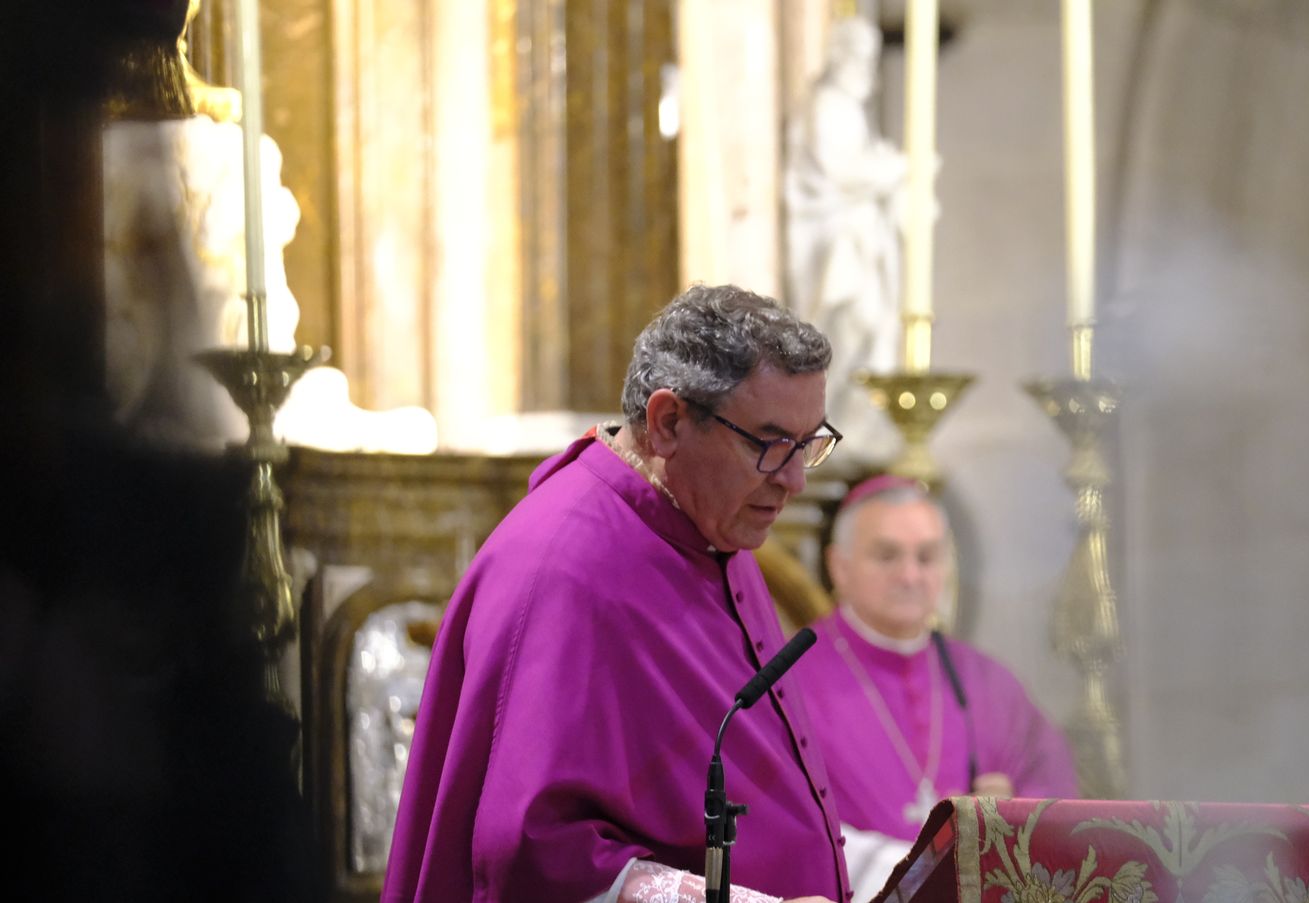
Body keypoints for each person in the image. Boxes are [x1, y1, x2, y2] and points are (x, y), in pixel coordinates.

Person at [382, 285, 849, 903]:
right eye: (769, 444)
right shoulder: (563, 567)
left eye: (808, 444)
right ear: (668, 423)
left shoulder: (710, 521)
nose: (793, 480)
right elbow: (532, 851)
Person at [792, 476, 1077, 895]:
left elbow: (1059, 807)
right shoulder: (792, 681)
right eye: (886, 556)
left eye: (926, 557)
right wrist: (917, 874)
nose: (910, 575)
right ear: (840, 566)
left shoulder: (989, 684)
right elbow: (783, 824)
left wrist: (1013, 819)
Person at [783, 16, 905, 465]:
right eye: (857, 56)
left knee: (872, 329)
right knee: (848, 326)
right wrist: (892, 170)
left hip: (858, 242)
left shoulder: (851, 108)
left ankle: (853, 428)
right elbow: (839, 172)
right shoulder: (828, 104)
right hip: (833, 244)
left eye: (869, 57)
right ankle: (826, 425)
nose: (865, 66)